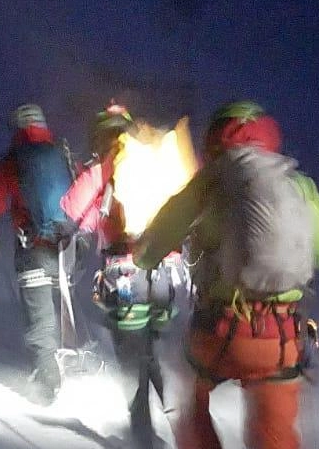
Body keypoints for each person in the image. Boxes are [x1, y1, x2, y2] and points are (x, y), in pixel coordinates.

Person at [135, 101, 319, 449]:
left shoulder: (211, 181)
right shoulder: (297, 184)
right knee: (275, 433)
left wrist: (144, 256)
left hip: (218, 333)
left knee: (186, 395)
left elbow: (156, 241)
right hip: (281, 339)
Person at [62, 101, 198, 449]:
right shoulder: (157, 161)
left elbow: (72, 209)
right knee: (157, 347)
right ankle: (183, 423)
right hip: (170, 276)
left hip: (126, 278)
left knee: (131, 357)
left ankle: (142, 436)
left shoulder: (105, 167)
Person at [0, 103, 76, 405]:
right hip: (68, 247)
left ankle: (47, 385)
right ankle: (76, 361)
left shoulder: (12, 162)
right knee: (64, 307)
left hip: (35, 250)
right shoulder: (60, 153)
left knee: (40, 316)